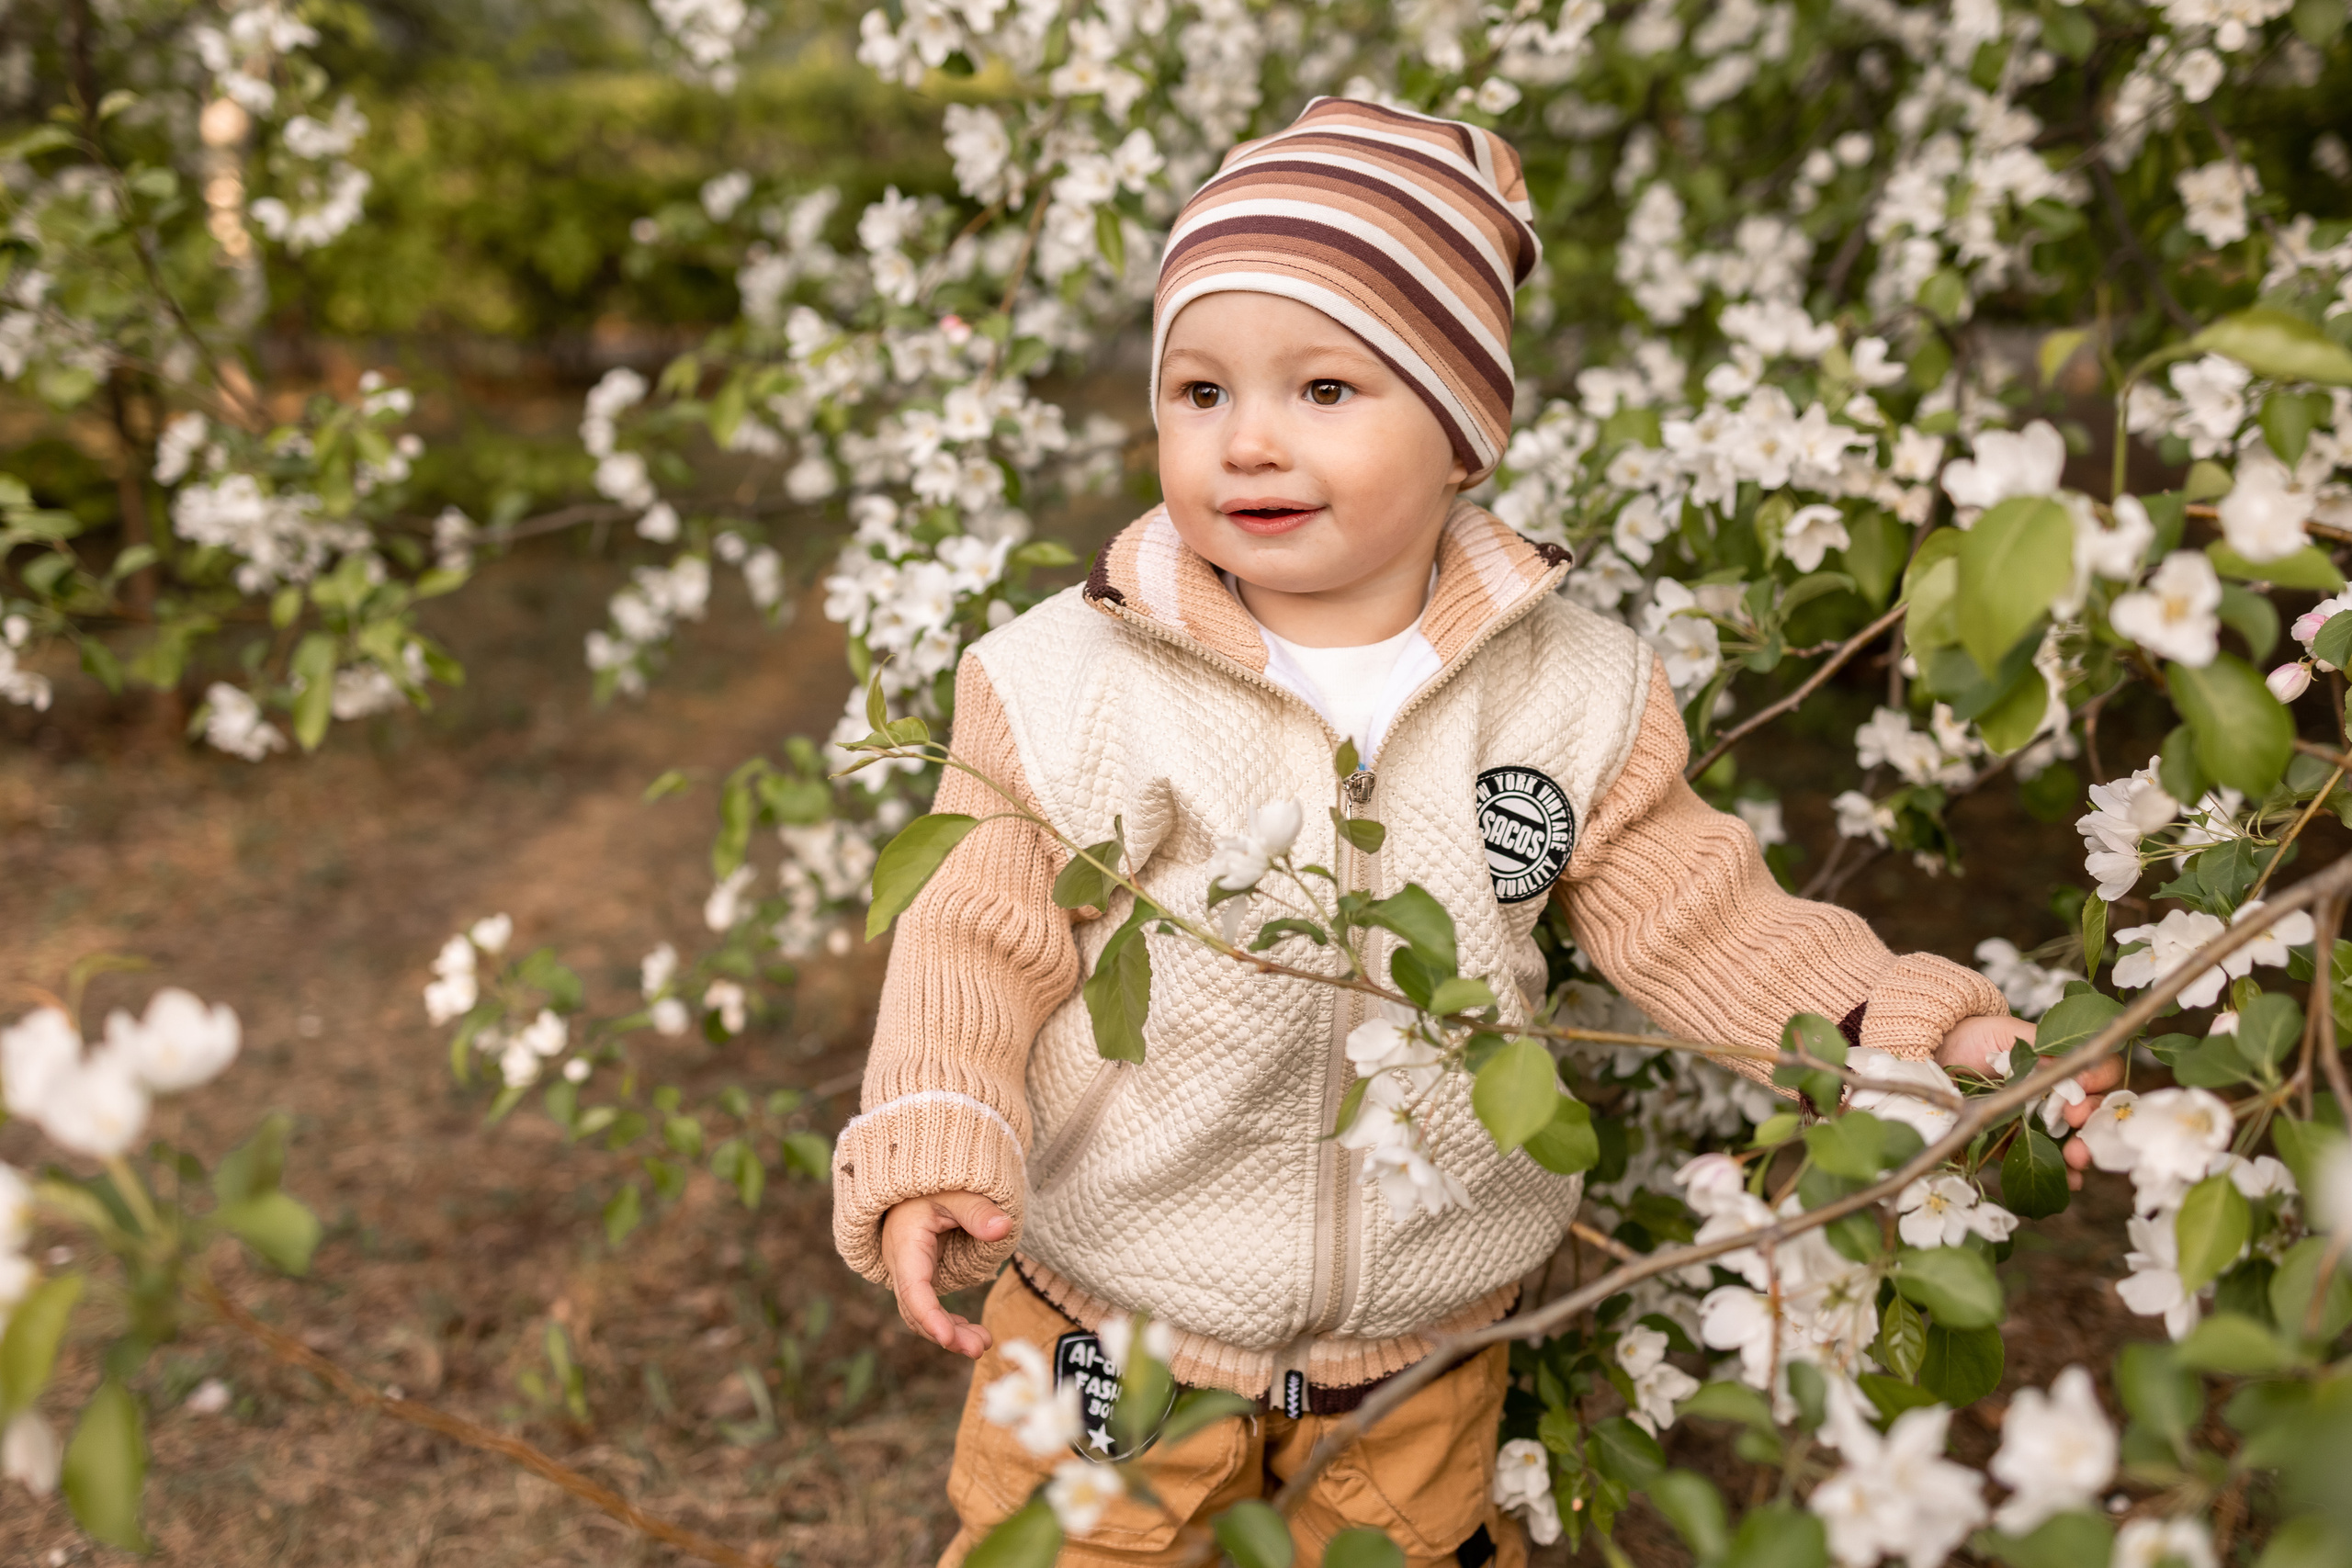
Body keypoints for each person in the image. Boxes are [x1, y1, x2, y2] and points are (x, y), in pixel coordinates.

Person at [830, 97, 2120, 1568]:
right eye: (1199, 391)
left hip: (1421, 1333)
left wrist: (1893, 1028)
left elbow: (1699, 913)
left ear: (1462, 433)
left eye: (1325, 390)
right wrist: (940, 1123)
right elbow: (976, 931)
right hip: (1112, 1304)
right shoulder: (1067, 684)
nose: (1248, 438)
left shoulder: (1571, 691)